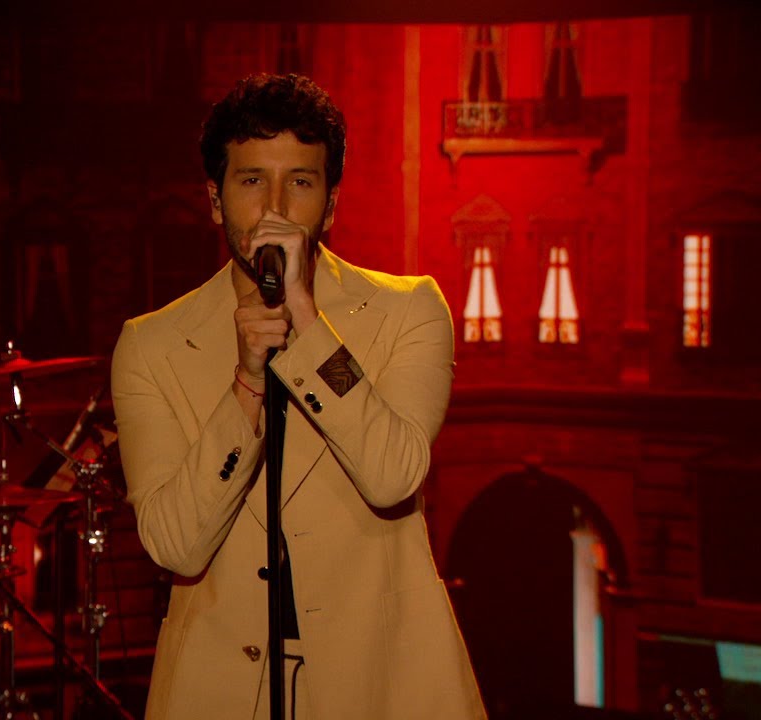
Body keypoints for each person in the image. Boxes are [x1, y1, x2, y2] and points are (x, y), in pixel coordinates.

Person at [111, 74, 485, 719]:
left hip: (381, 686)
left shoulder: (409, 311)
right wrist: (247, 384)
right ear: (215, 199)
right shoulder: (151, 345)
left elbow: (391, 476)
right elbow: (175, 544)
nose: (275, 207)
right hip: (221, 694)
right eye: (252, 180)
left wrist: (307, 325)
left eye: (301, 182)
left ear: (330, 205)